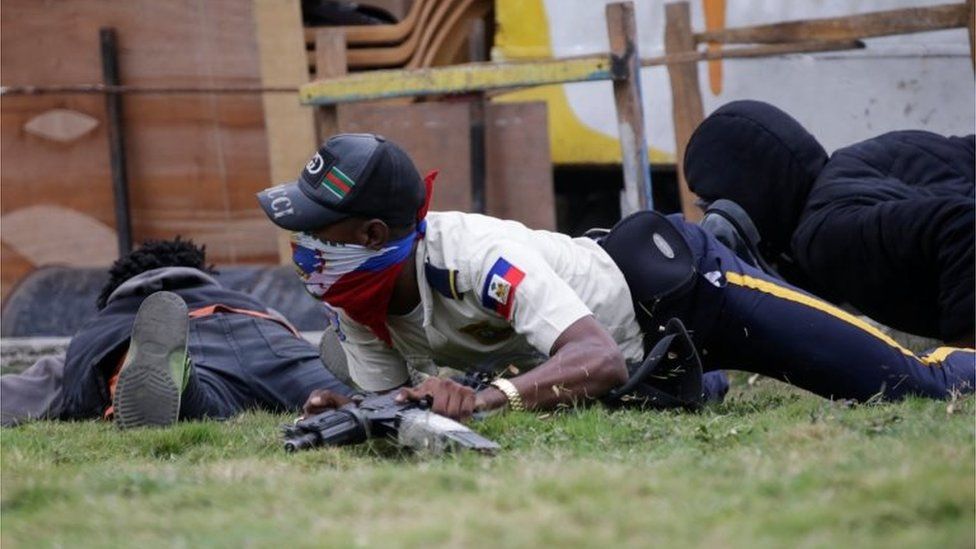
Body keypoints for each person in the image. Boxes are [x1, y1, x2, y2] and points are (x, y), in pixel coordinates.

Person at [257, 133, 974, 422]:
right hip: (638, 361)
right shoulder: (358, 298)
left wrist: (480, 397)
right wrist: (352, 408)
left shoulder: (473, 255)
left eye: (318, 230)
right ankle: (697, 377)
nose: (304, 246)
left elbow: (594, 356)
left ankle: (729, 244)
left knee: (912, 385)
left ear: (374, 235)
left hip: (692, 294)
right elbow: (400, 410)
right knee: (672, 387)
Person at [684, 100, 975, 346]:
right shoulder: (863, 158)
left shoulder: (825, 235)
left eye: (710, 204)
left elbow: (964, 227)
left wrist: (962, 360)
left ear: (746, 197)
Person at [0, 238, 353, 428]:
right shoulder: (245, 300)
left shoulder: (108, 323)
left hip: (171, 345)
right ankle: (361, 382)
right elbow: (289, 336)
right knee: (318, 384)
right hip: (263, 334)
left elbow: (23, 391)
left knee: (206, 402)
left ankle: (179, 379)